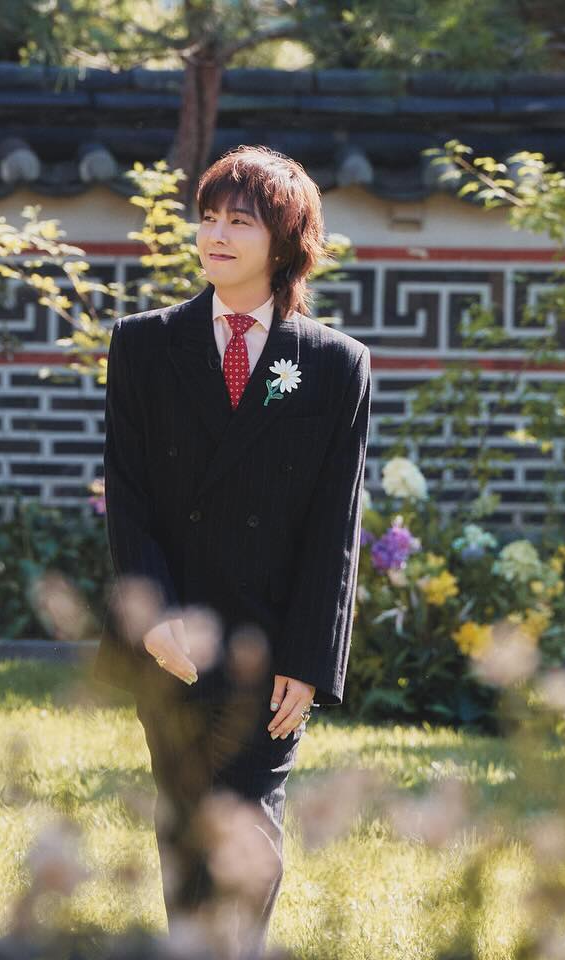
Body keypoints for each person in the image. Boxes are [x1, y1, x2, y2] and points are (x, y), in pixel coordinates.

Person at [89, 145, 372, 958]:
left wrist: (309, 660)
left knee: (249, 827)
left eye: (239, 222)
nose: (215, 234)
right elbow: (129, 494)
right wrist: (151, 618)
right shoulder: (144, 345)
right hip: (173, 637)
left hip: (267, 644)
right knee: (186, 828)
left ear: (284, 242)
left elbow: (335, 526)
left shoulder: (333, 365)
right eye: (208, 217)